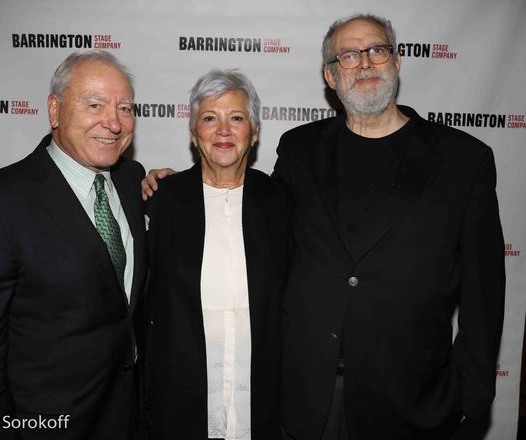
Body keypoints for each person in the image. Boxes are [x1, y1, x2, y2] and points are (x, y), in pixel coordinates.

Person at [142, 14, 505, 440]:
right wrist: (177, 187)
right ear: (331, 76)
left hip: (412, 401)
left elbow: (485, 295)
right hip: (302, 397)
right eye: (348, 56)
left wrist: (472, 396)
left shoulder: (464, 161)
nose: (365, 63)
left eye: (377, 50)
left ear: (397, 61)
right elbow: (246, 211)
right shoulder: (300, 150)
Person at [0, 49, 146, 439]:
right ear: (55, 110)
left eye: (125, 107)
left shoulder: (131, 181)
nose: (114, 122)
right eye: (95, 104)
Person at [143, 69, 288, 440]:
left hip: (265, 405)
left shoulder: (283, 204)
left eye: (236, 118)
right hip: (178, 406)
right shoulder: (160, 201)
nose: (223, 130)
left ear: (254, 132)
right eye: (209, 118)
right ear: (194, 133)